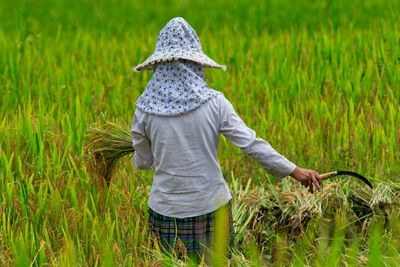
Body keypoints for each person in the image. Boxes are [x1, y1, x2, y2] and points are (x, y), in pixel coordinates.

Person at [131, 17, 322, 262]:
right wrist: (294, 171)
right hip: (211, 208)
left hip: (166, 212)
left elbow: (143, 162)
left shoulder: (144, 110)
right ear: (194, 61)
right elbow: (251, 144)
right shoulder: (214, 103)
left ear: (158, 64)